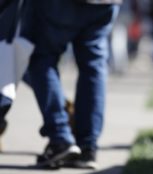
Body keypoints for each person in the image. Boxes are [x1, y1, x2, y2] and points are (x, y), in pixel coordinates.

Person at [26, 0, 121, 169]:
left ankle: (61, 138)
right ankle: (87, 148)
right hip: (104, 3)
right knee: (94, 66)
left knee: (42, 58)